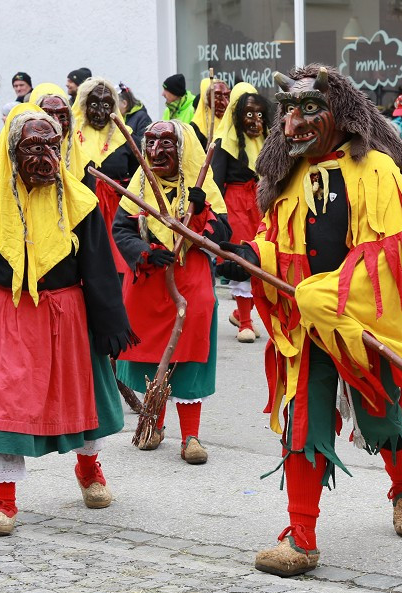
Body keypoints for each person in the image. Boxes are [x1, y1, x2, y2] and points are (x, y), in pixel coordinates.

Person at [214, 65, 402, 577]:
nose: (295, 121)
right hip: (306, 328)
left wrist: (326, 293)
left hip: (362, 324)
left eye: (310, 108)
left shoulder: (376, 169)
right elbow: (279, 243)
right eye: (289, 110)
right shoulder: (289, 176)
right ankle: (302, 537)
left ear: (342, 114)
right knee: (304, 422)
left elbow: (388, 254)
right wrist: (247, 253)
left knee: (381, 415)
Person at [0, 103, 133, 537]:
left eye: (51, 145)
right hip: (6, 315)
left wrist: (110, 325)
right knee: (2, 403)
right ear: (11, 152)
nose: (44, 156)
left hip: (68, 315)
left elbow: (98, 270)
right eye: (32, 146)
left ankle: (90, 470)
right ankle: (3, 500)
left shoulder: (81, 201)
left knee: (78, 399)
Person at [113, 120, 232, 461]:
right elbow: (121, 229)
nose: (155, 152)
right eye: (149, 143)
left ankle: (191, 437)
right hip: (148, 283)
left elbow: (221, 232)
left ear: (183, 150)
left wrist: (200, 213)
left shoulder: (201, 187)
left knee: (190, 354)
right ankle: (156, 425)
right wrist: (145, 252)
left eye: (165, 144)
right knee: (154, 356)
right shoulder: (139, 185)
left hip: (190, 280)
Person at [212, 81, 269, 343]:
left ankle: (240, 312)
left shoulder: (266, 138)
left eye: (258, 113)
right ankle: (245, 321)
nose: (254, 119)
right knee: (243, 259)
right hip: (236, 205)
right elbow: (215, 180)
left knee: (266, 260)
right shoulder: (224, 142)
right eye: (248, 113)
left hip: (262, 204)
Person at [73, 77, 135, 275]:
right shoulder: (71, 138)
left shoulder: (125, 139)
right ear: (83, 105)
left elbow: (138, 177)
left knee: (117, 270)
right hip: (82, 213)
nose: (100, 112)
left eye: (106, 105)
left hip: (118, 216)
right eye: (93, 105)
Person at [29, 83, 83, 182]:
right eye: (48, 115)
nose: (57, 124)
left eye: (62, 116)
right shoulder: (22, 158)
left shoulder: (83, 161)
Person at [190, 77, 230, 147]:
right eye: (218, 96)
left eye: (227, 96)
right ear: (206, 98)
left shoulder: (230, 124)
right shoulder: (194, 129)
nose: (225, 103)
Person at [117, 82, 154, 158]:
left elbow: (145, 146)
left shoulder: (142, 118)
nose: (112, 108)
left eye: (114, 104)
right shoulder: (121, 117)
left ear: (124, 103)